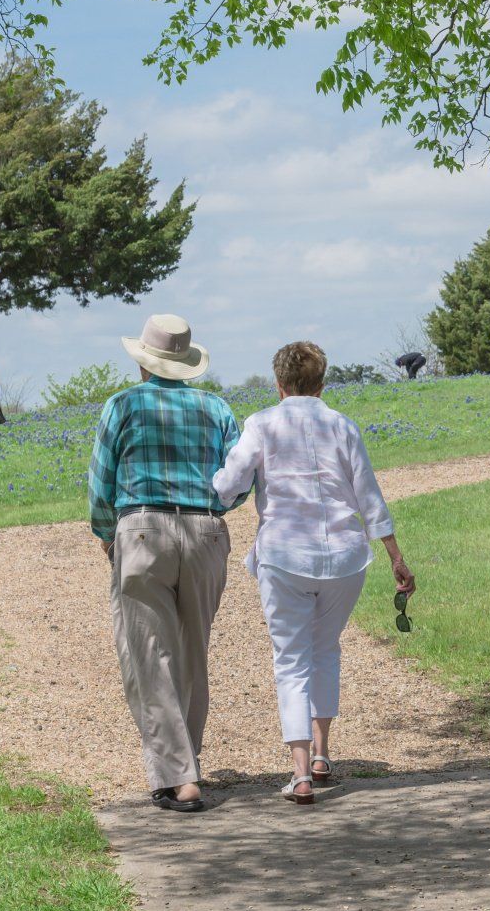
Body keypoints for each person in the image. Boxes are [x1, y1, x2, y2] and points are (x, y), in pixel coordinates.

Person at [214, 340, 415, 805]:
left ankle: (300, 772)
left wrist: (218, 488)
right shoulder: (342, 425)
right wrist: (396, 557)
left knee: (291, 658)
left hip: (285, 557)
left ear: (278, 384)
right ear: (322, 383)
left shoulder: (261, 424)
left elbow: (229, 485)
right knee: (325, 648)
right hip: (345, 558)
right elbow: (370, 495)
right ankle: (323, 754)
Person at [88, 313, 247, 814]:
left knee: (148, 653)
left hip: (142, 529)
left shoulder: (122, 405)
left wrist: (105, 533)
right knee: (192, 650)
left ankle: (179, 777)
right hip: (204, 532)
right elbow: (240, 479)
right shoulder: (216, 407)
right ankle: (185, 766)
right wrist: (216, 512)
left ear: (143, 362)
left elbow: (101, 481)